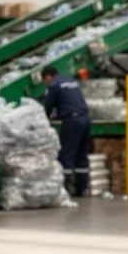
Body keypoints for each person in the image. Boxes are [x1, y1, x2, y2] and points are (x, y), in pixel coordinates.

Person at [42, 66, 91, 198]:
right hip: (86, 119)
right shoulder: (71, 80)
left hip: (72, 121)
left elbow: (48, 105)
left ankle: (65, 189)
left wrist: (42, 119)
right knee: (82, 154)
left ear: (48, 76)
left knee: (67, 154)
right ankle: (82, 188)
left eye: (45, 80)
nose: (46, 83)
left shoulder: (53, 84)